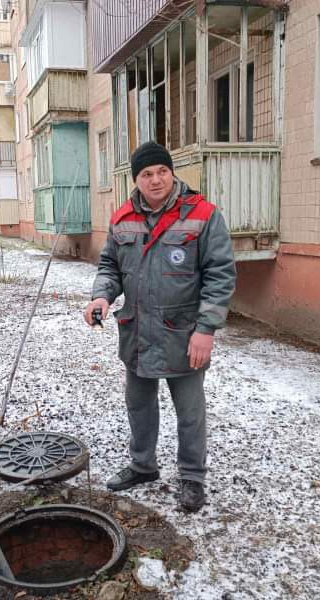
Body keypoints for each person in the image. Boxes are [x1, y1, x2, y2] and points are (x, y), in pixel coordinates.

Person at [84, 141, 236, 512]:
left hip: (184, 334)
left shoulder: (202, 214)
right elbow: (110, 267)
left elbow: (220, 275)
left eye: (162, 172)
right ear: (136, 179)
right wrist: (101, 296)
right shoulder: (122, 219)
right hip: (138, 333)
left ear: (172, 172)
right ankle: (143, 465)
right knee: (139, 405)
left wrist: (206, 329)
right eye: (147, 174)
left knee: (190, 411)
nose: (156, 180)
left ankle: (192, 477)